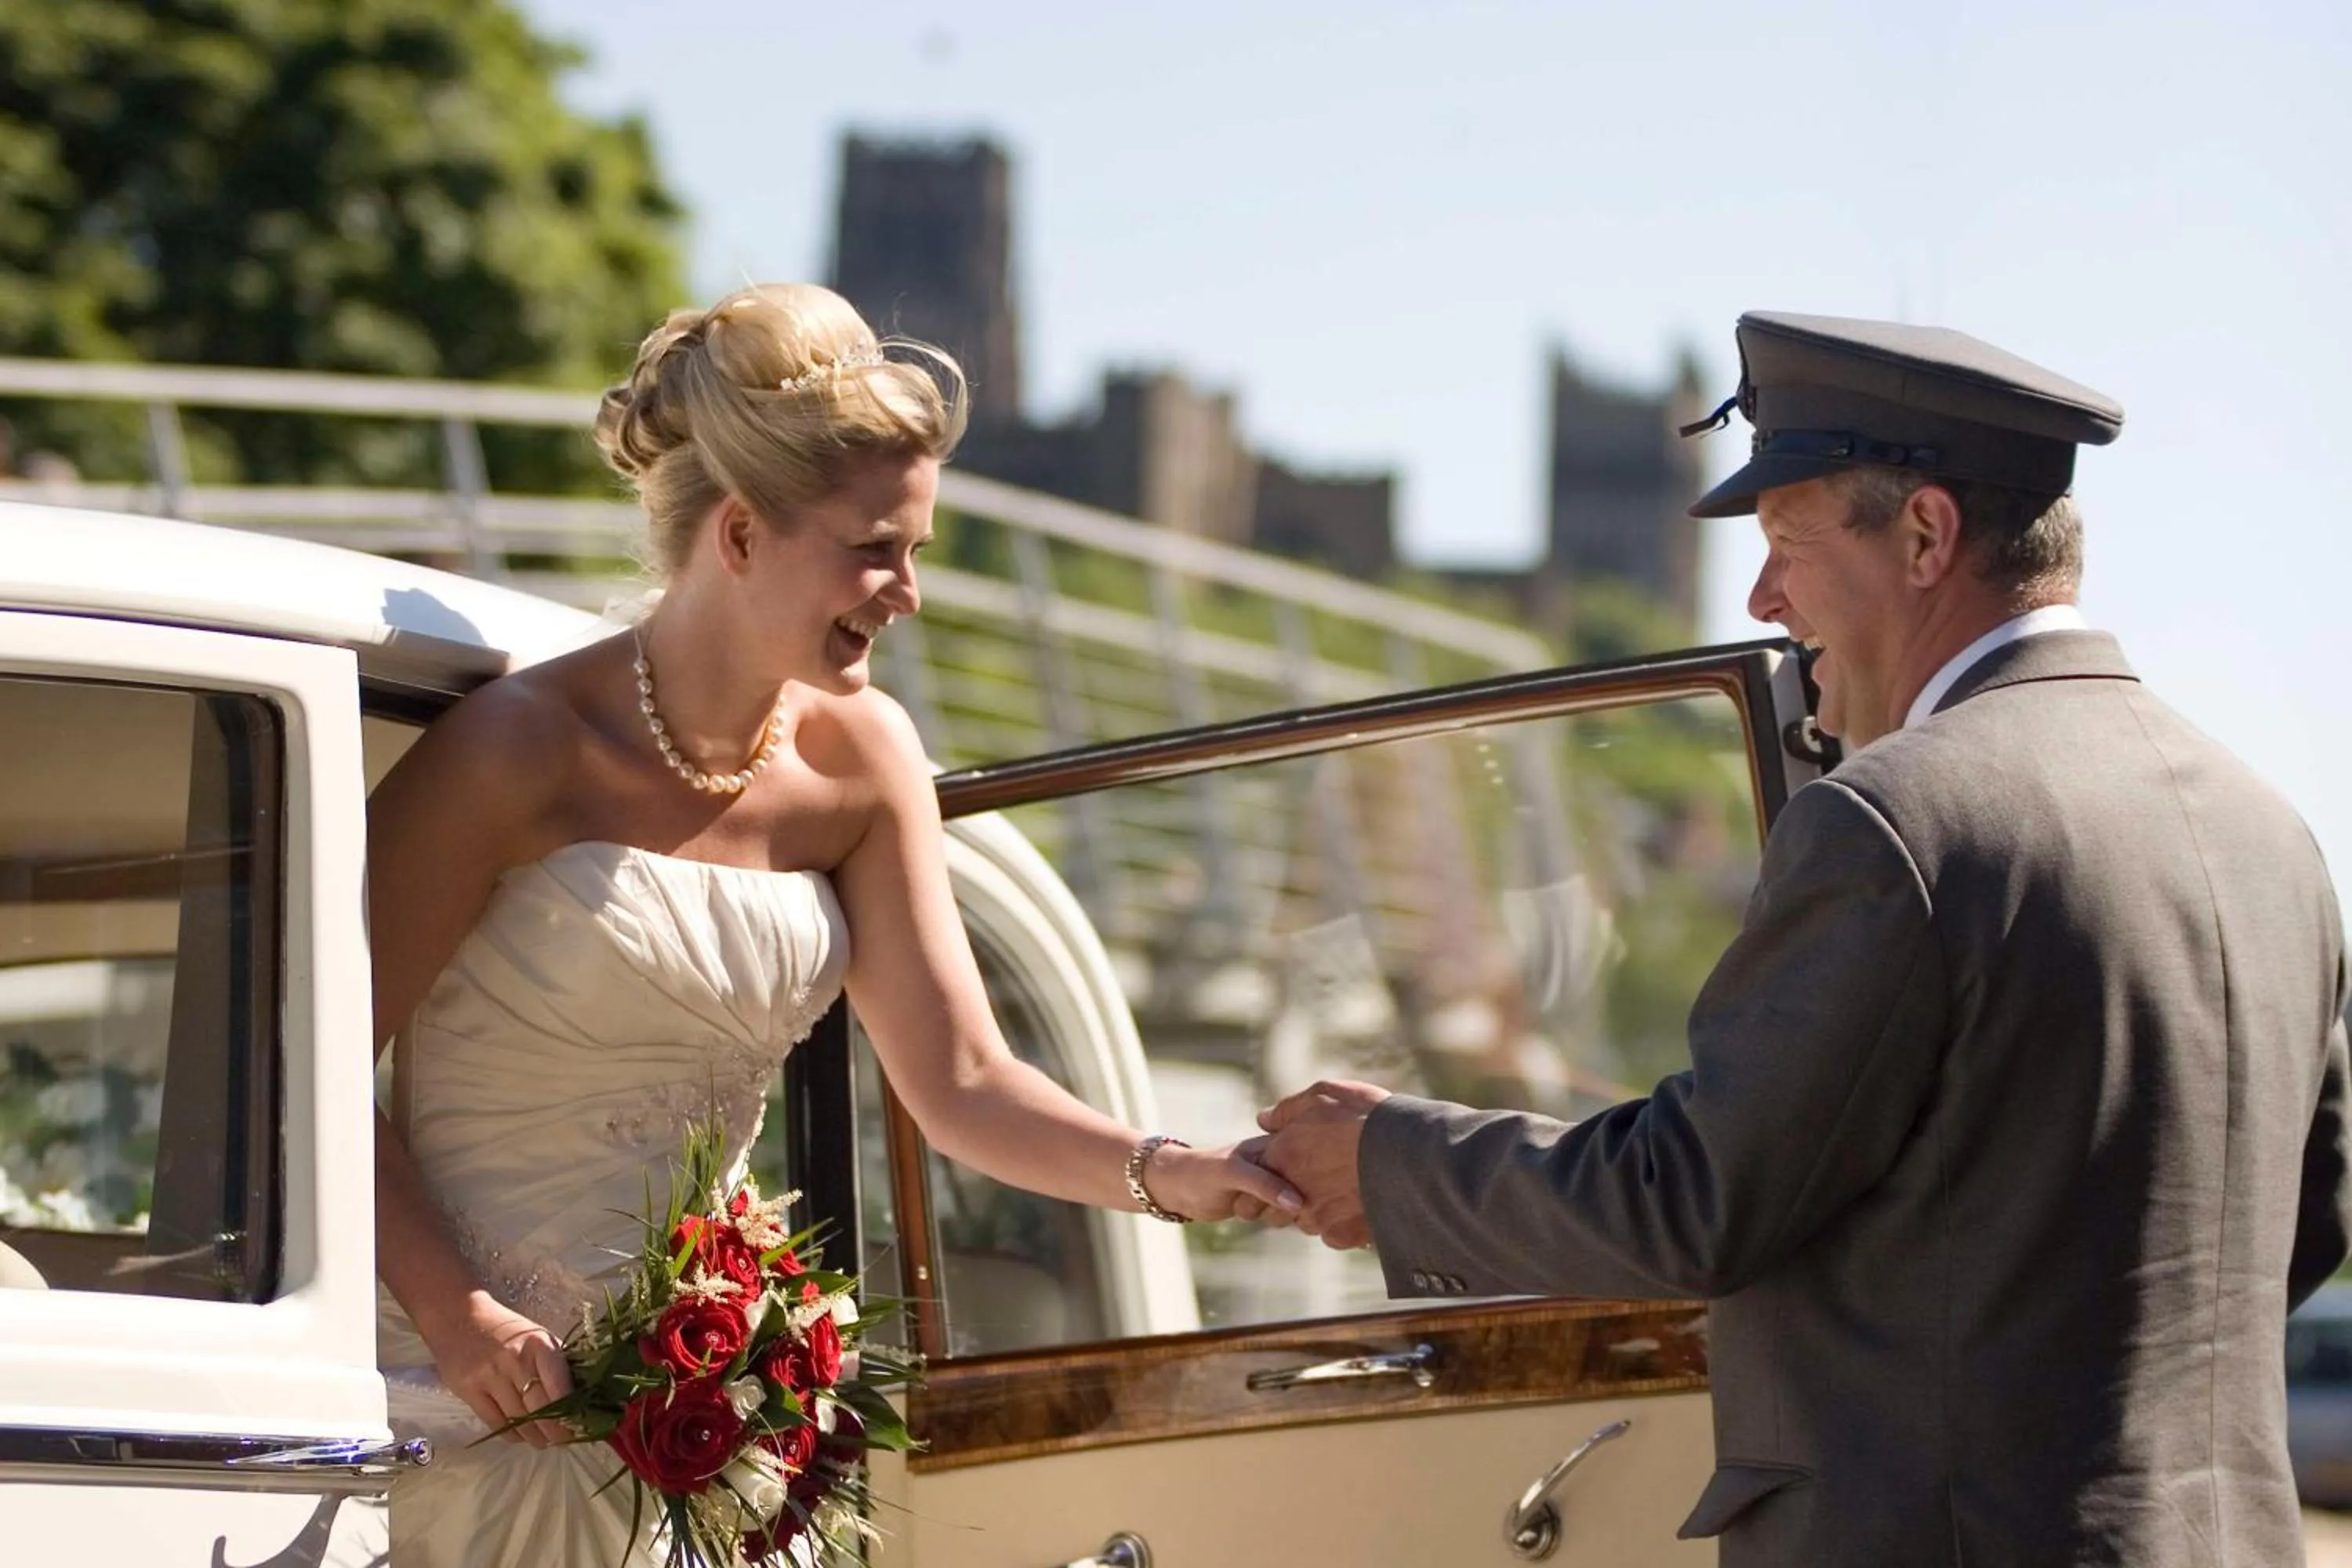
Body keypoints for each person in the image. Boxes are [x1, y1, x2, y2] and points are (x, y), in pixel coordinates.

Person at [1252, 311, 2352, 1567]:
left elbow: (1694, 1200)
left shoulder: (1897, 818)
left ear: (1926, 536)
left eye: (1786, 543)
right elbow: (2298, 1229)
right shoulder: (2272, 833)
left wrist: (1390, 1161)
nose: (1762, 597)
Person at [366, 282, 1302, 1567]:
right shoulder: (516, 752)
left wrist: (1171, 1172)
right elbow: (307, 1071)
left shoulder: (864, 757)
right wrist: (458, 1315)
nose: (907, 593)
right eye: (877, 549)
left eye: (917, 551)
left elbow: (964, 1080)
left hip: (707, 1417)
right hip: (472, 1393)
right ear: (742, 534)